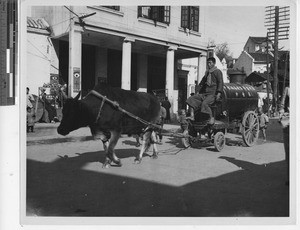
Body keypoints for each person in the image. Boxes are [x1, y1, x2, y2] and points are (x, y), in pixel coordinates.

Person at [186, 57, 224, 124]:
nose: (208, 64)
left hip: (212, 94)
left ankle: (211, 118)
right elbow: (202, 83)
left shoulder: (218, 72)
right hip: (204, 94)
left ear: (214, 63)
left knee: (205, 103)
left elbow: (220, 83)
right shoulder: (207, 73)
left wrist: (219, 94)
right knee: (191, 99)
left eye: (210, 63)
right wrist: (197, 92)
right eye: (208, 63)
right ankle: (192, 116)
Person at [279, 86, 290, 186]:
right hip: (289, 123)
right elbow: (282, 106)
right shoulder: (288, 89)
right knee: (289, 151)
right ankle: (289, 177)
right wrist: (282, 114)